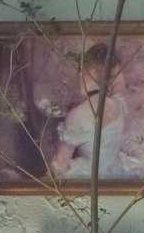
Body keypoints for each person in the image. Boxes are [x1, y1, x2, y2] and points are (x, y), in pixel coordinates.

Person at [50, 43, 127, 179]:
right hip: (117, 173)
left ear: (84, 72)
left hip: (90, 179)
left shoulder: (77, 115)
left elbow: (61, 163)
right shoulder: (119, 104)